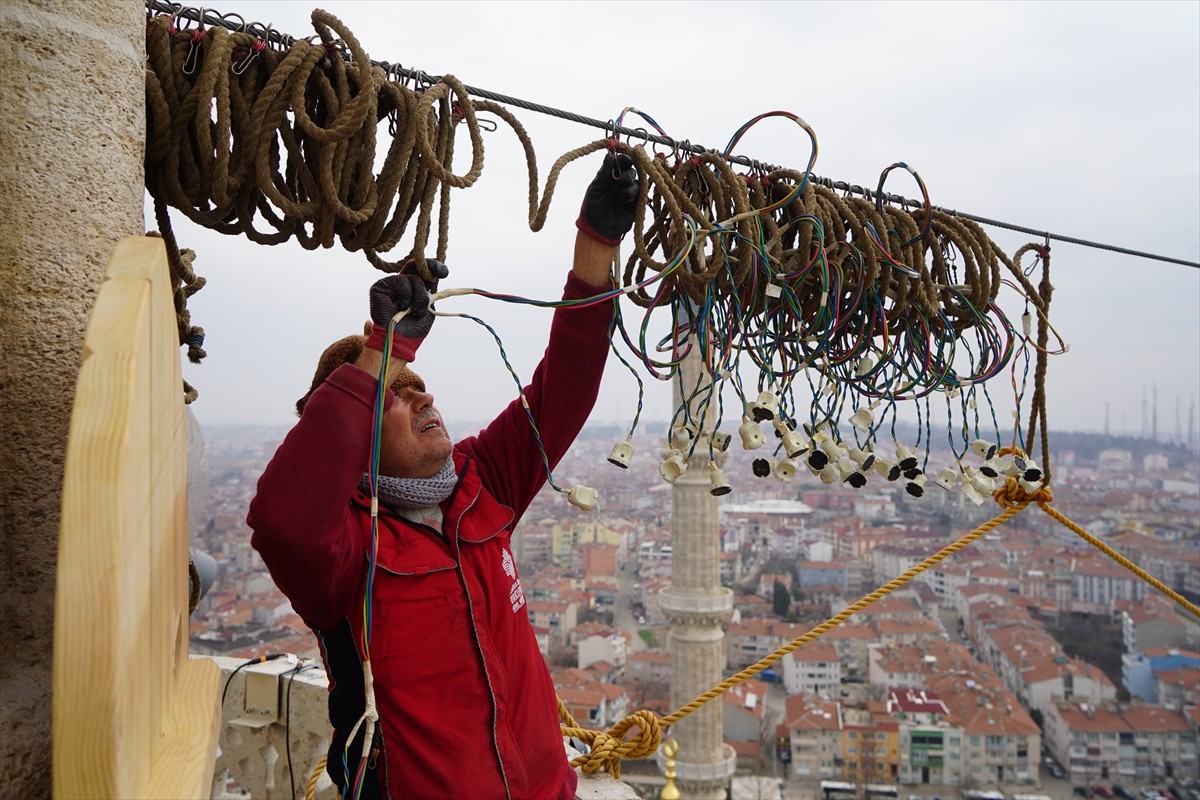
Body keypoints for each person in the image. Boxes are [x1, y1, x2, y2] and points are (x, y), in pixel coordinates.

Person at [247, 151, 639, 800]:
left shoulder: (482, 483)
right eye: (396, 395)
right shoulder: (346, 554)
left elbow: (564, 388)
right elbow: (285, 523)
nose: (424, 399)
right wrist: (384, 349)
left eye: (422, 387)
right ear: (354, 432)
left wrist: (596, 240)